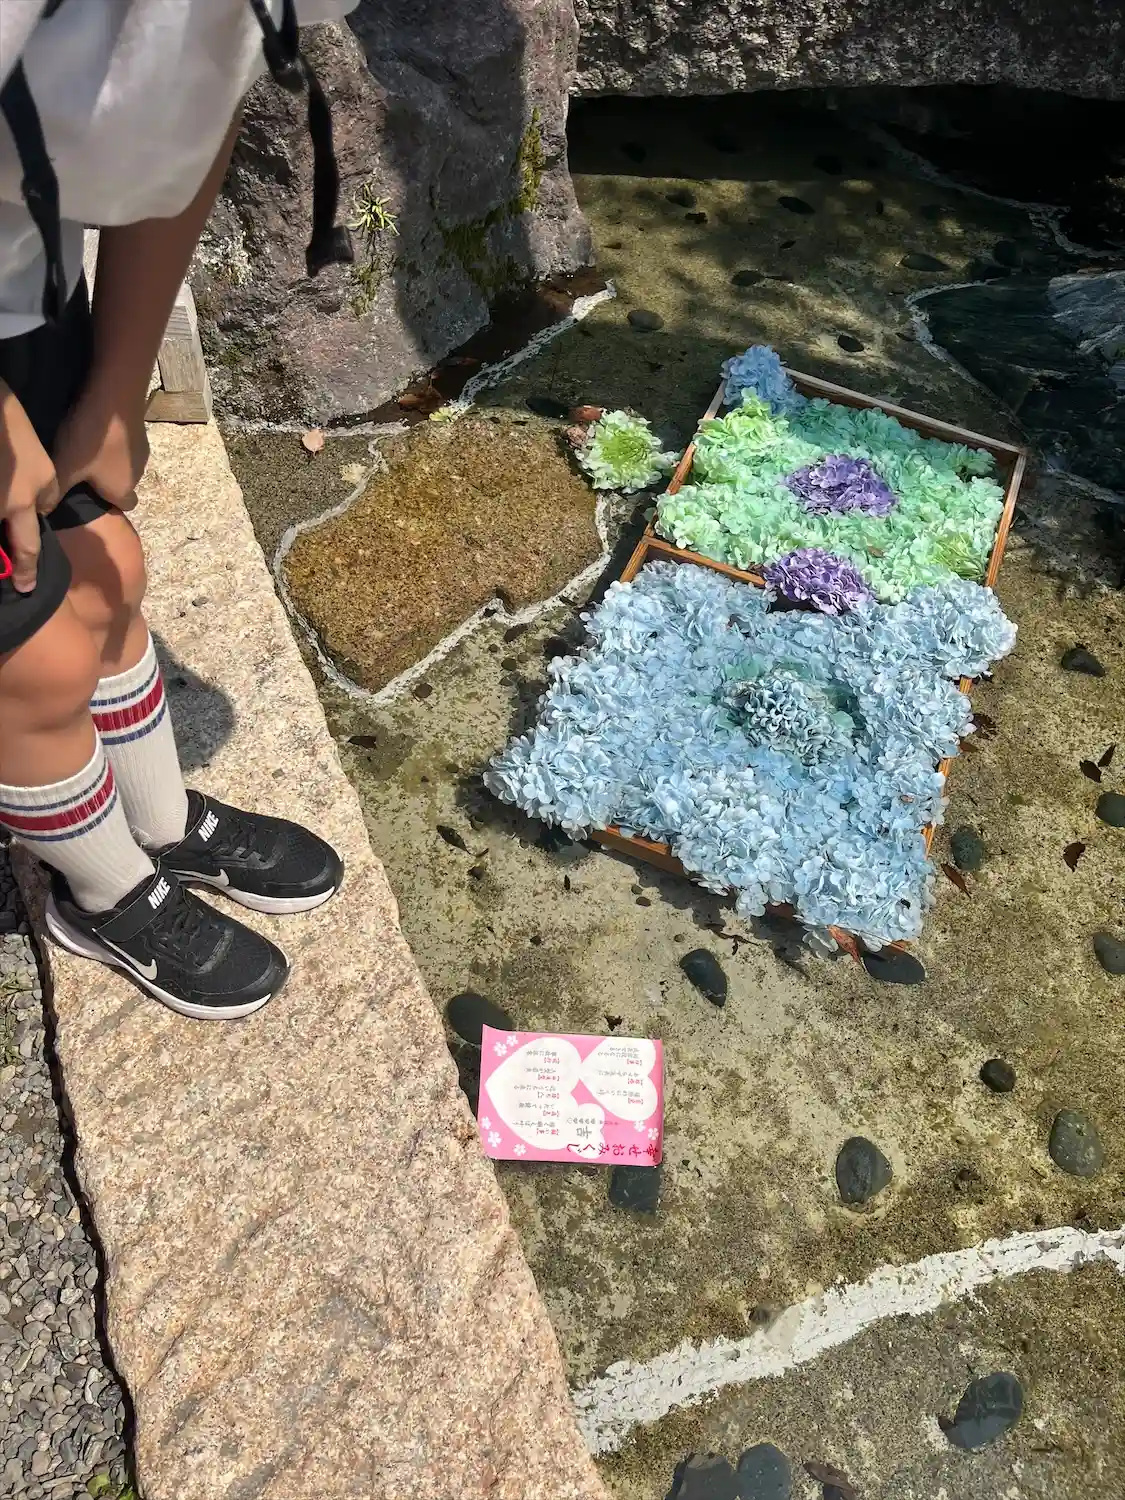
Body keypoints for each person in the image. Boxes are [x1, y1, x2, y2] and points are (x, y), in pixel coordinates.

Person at [0, 0, 359, 1019]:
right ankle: (105, 892)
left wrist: (119, 380)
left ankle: (156, 827)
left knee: (107, 569)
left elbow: (194, 106)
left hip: (25, 285)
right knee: (31, 663)